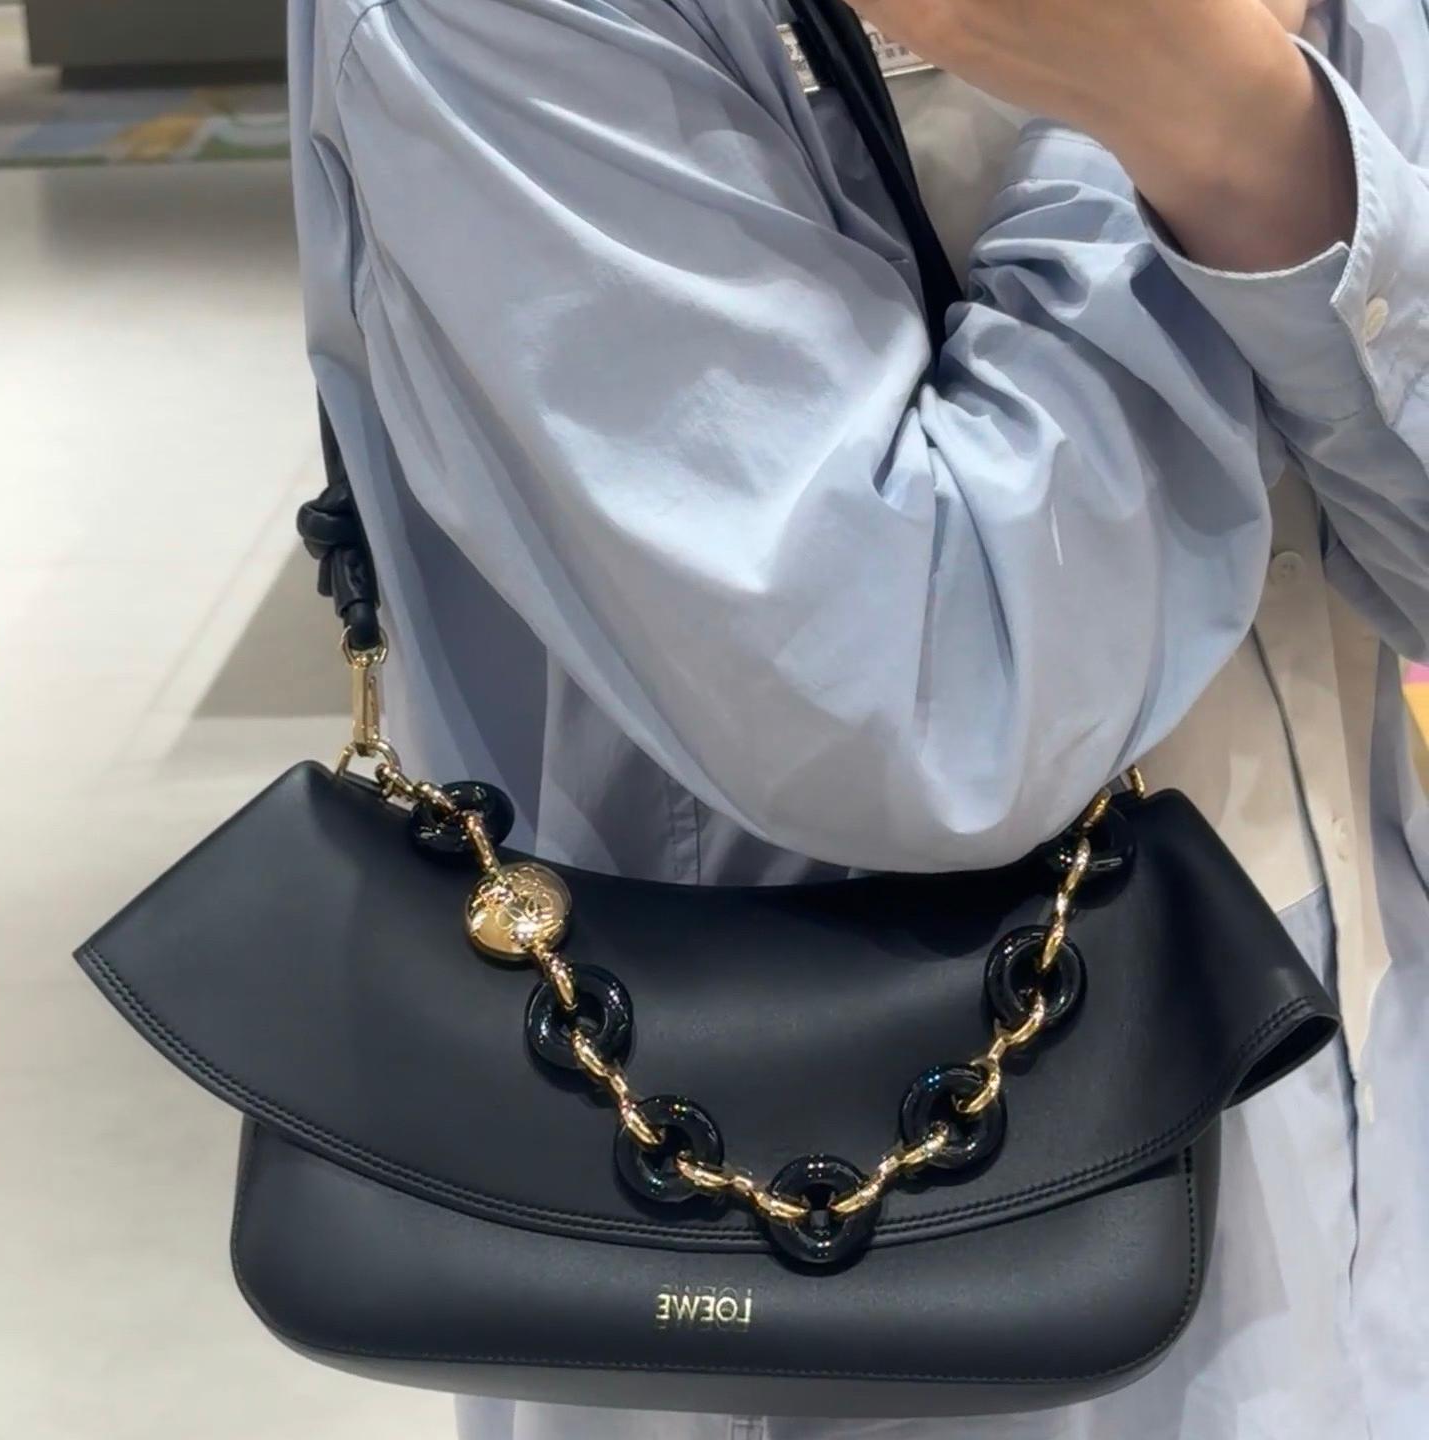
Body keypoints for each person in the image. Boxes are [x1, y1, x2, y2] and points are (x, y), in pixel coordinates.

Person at [287, 0, 1429, 1436]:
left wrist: (1257, 142)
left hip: (1372, 1139)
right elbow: (934, 706)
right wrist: (1187, 119)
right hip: (835, 1261)